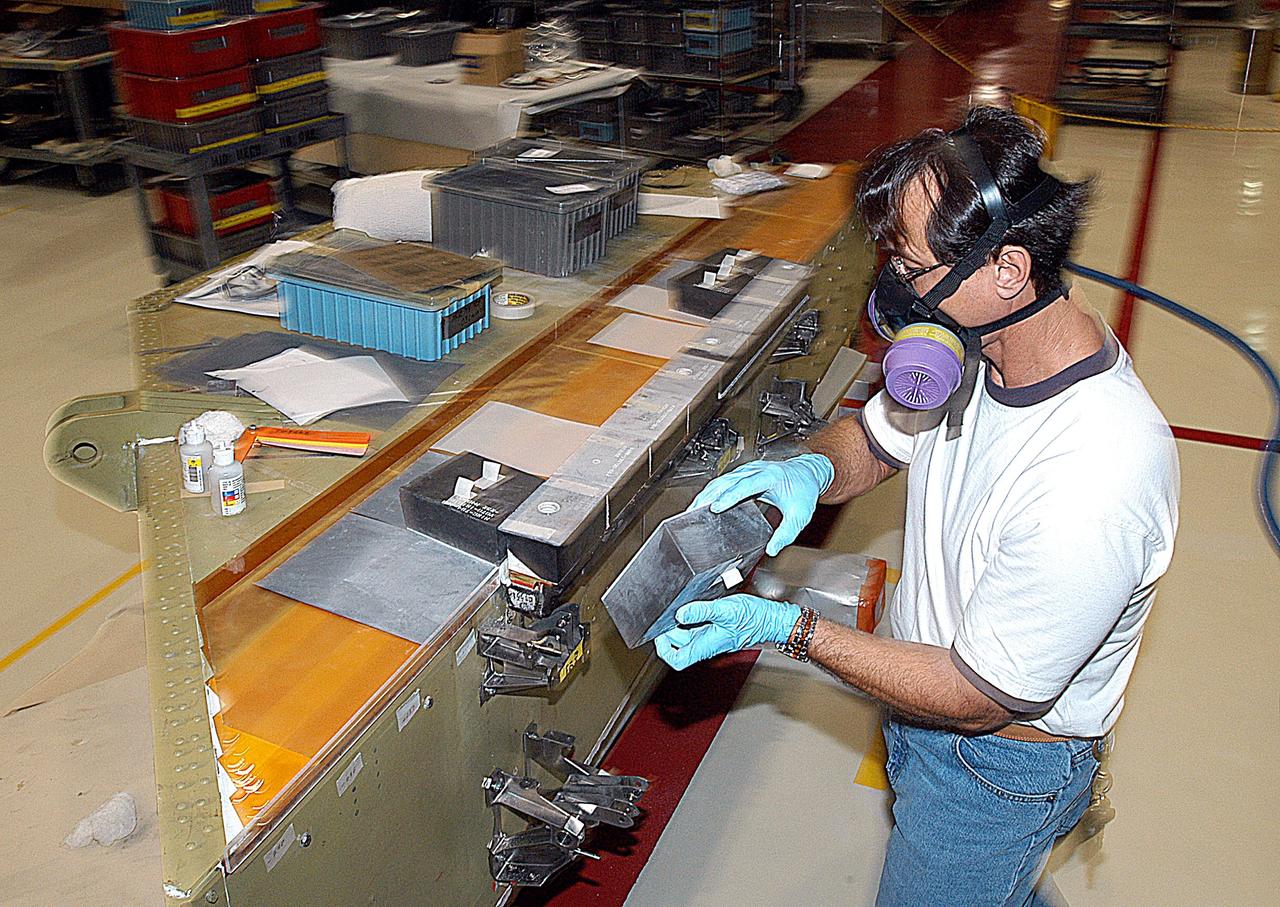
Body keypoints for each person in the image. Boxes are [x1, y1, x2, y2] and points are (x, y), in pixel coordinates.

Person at [653, 106, 1180, 906]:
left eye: (911, 266)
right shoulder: (981, 342)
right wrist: (802, 473)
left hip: (997, 768)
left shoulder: (1097, 473)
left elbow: (976, 697)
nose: (893, 289)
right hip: (921, 701)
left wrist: (789, 627)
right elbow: (871, 443)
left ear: (1005, 270)